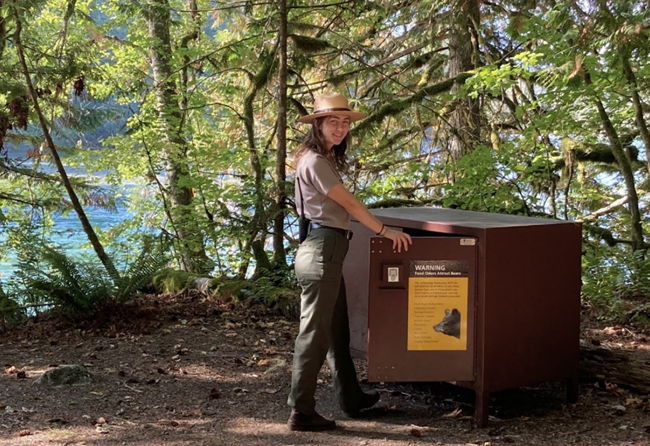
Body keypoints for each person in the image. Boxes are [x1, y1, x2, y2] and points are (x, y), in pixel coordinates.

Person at [287, 92, 412, 432]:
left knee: (337, 329)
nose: (340, 128)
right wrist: (385, 231)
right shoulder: (314, 161)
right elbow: (351, 205)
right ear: (318, 125)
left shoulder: (321, 159)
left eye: (345, 123)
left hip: (327, 248)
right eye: (333, 122)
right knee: (314, 333)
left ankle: (351, 396)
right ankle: (301, 411)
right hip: (322, 249)